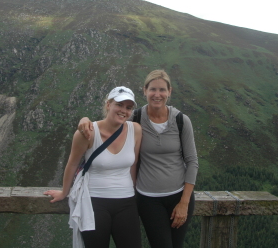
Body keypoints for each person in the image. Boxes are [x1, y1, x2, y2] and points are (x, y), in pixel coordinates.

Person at [78, 70, 199, 248]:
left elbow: (192, 161)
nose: (157, 95)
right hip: (149, 199)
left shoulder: (181, 121)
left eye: (162, 90)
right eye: (152, 89)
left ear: (169, 92)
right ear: (145, 90)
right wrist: (85, 119)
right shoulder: (136, 118)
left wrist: (184, 202)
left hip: (179, 197)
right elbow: (109, 123)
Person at [44, 86, 142, 248]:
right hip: (94, 203)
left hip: (126, 202)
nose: (124, 110)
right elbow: (72, 163)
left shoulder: (135, 130)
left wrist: (135, 191)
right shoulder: (88, 132)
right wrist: (64, 192)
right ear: (108, 104)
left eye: (128, 107)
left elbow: (134, 164)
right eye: (119, 104)